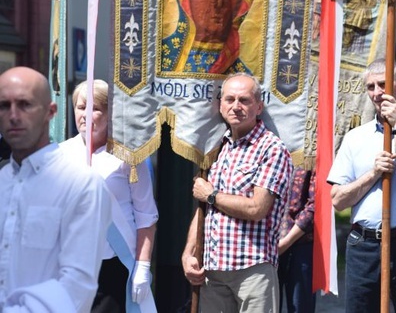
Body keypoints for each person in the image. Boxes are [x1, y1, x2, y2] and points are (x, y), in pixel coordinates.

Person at [327, 59, 396, 313]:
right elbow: (338, 200)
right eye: (371, 86)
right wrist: (374, 173)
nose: (377, 92)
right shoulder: (355, 137)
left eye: (383, 84)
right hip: (363, 244)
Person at [0, 67, 111, 312]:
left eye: (25, 104)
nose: (14, 115)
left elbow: (75, 287)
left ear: (50, 112)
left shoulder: (82, 184)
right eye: (4, 106)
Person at [181, 73, 293, 313]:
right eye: (229, 99)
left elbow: (257, 209)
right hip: (212, 271)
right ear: (220, 105)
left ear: (259, 106)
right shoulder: (215, 147)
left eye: (244, 100)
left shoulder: (272, 149)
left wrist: (212, 195)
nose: (236, 106)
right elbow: (205, 209)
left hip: (252, 269)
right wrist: (189, 252)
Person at [59, 80, 159, 311]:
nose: (86, 115)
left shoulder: (130, 157)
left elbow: (146, 216)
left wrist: (143, 267)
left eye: (96, 108)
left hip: (113, 266)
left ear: (110, 113)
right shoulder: (60, 154)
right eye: (81, 107)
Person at [277, 166, 316, 313]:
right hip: (267, 242)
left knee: (301, 306)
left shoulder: (311, 147)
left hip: (302, 242)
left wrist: (285, 243)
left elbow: (316, 204)